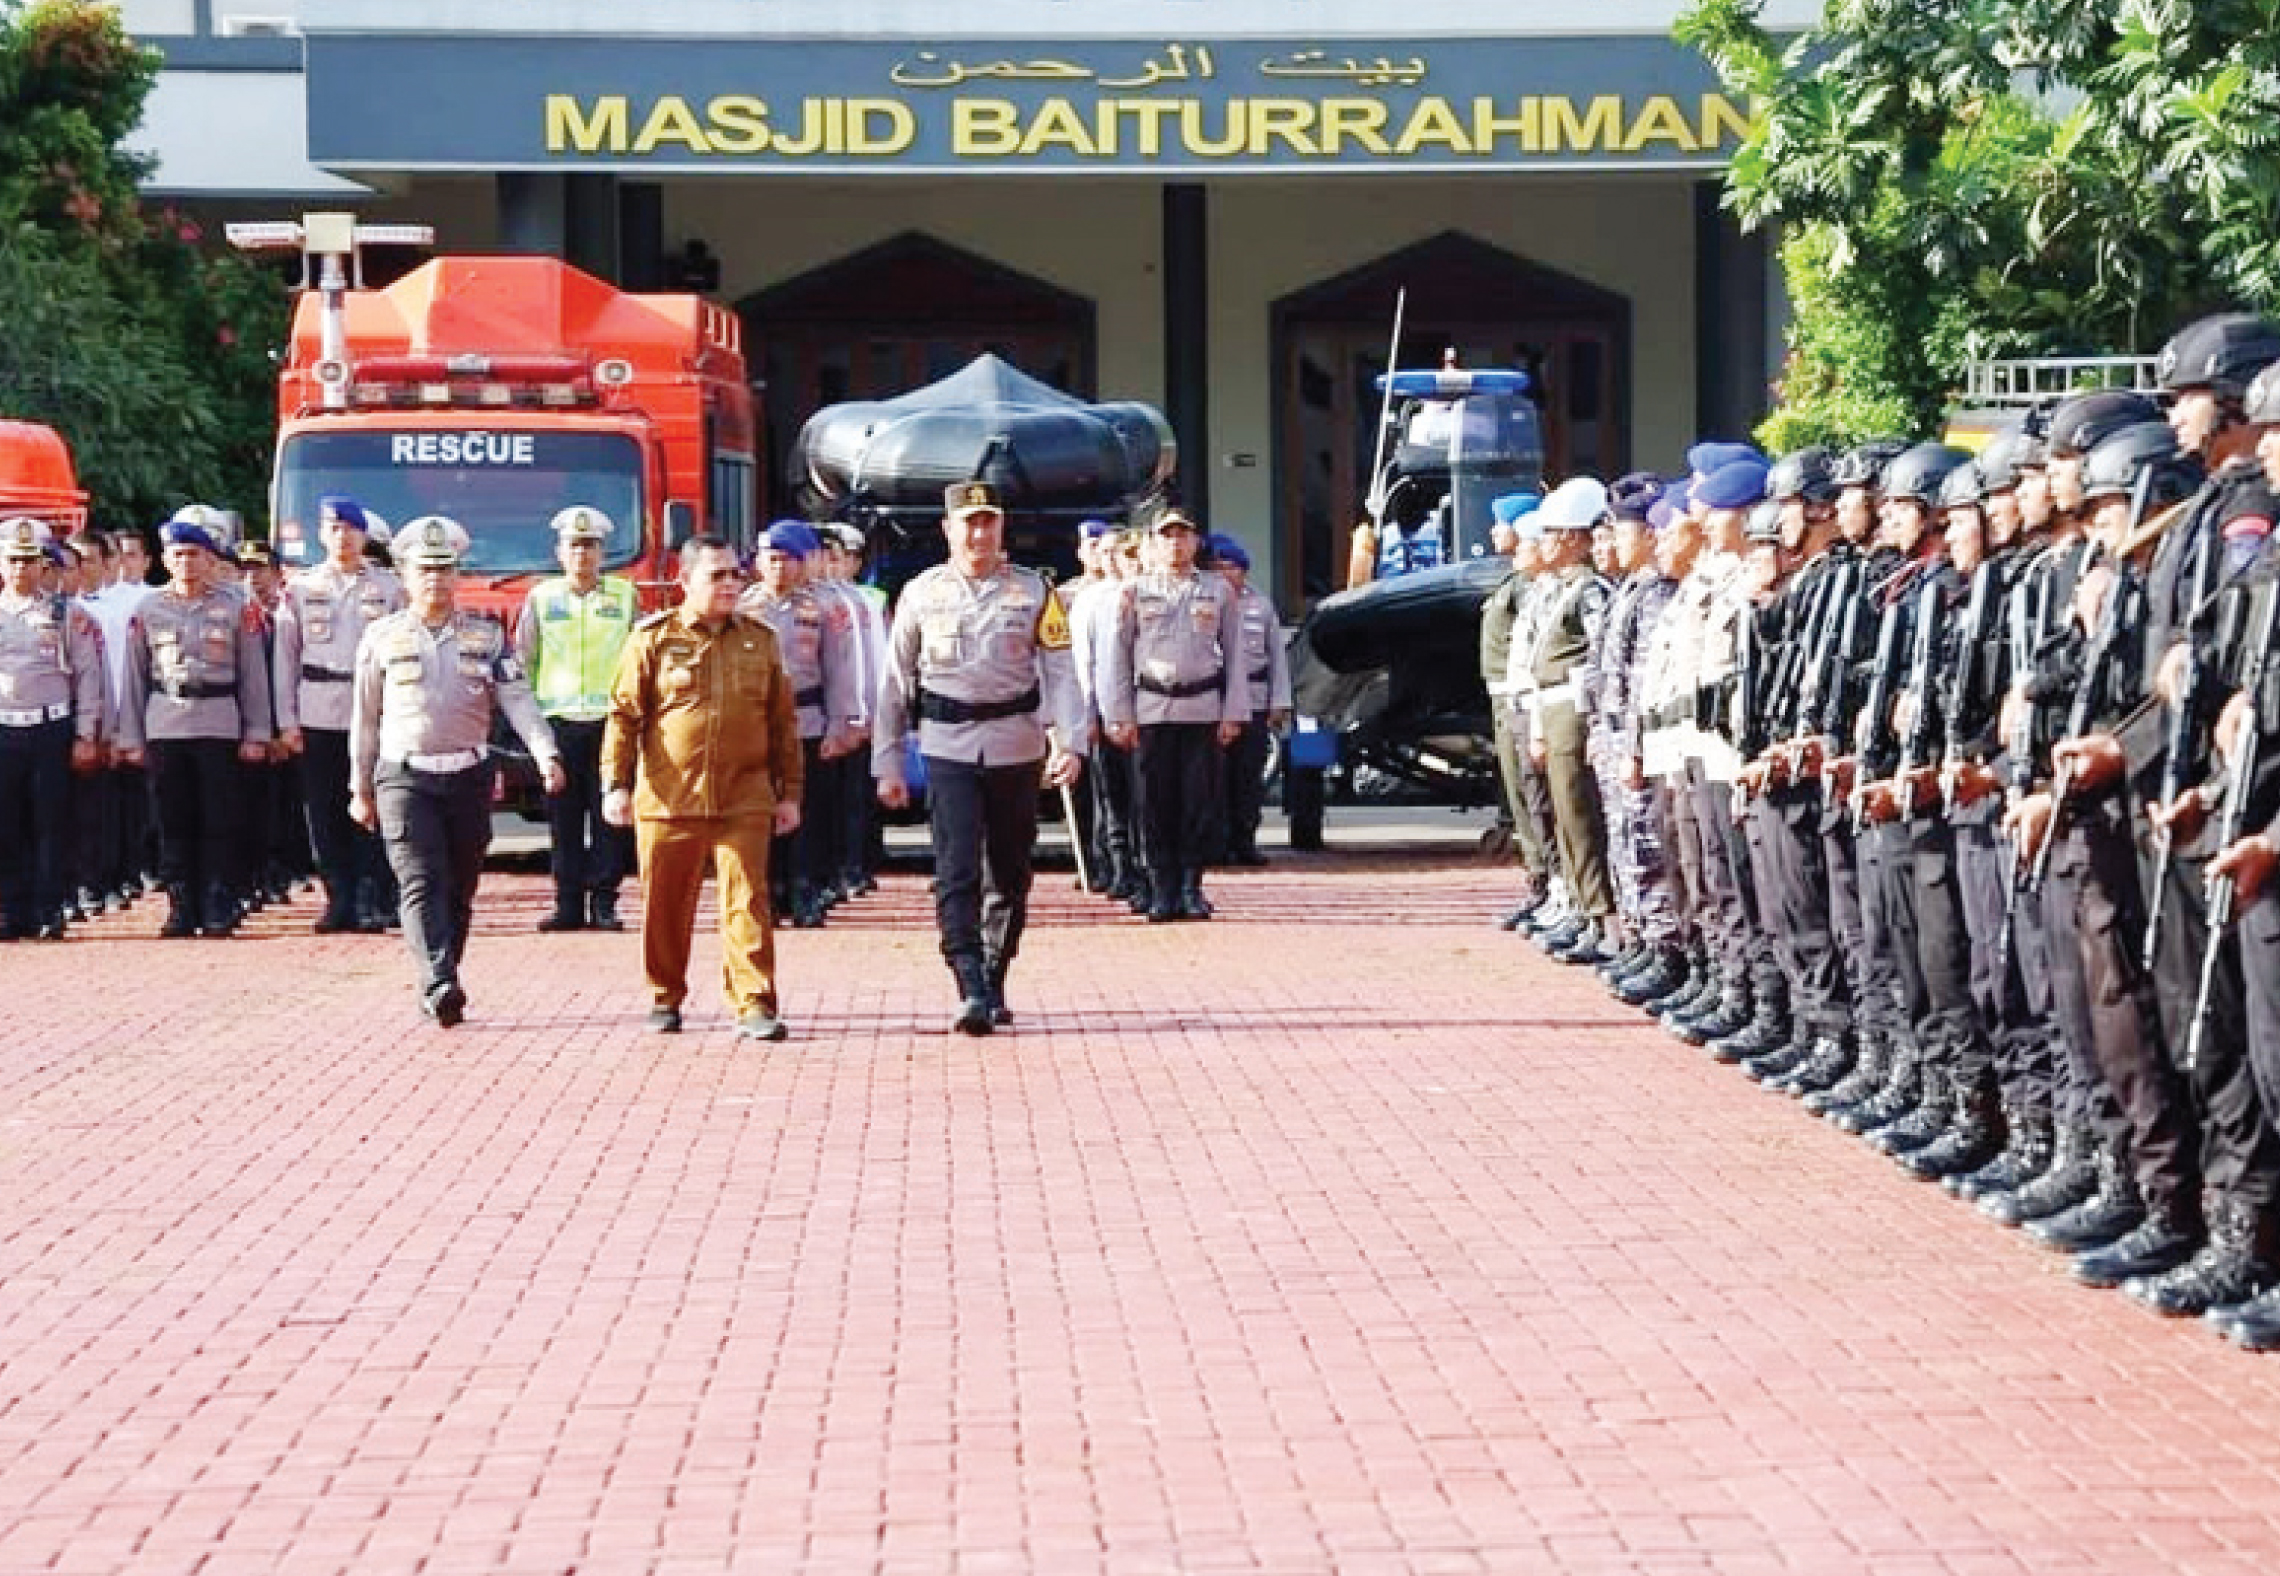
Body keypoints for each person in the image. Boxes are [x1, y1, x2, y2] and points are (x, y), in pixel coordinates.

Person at [873, 481, 1087, 1034]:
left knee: (1010, 870)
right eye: (968, 522)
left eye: (988, 521)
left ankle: (995, 971)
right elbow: (894, 685)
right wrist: (889, 761)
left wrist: (1071, 740)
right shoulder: (921, 594)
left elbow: (1061, 672)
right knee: (956, 868)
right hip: (948, 746)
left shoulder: (1036, 591)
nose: (979, 532)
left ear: (1001, 528)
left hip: (1016, 744)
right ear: (948, 530)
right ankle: (967, 977)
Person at [349, 517, 564, 1027]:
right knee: (419, 881)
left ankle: (443, 972)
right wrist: (359, 786)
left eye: (445, 570)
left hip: (467, 774)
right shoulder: (380, 637)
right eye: (424, 570)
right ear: (403, 574)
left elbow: (517, 698)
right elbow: (364, 718)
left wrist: (545, 752)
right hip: (404, 776)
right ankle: (438, 979)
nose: (435, 580)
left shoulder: (486, 637)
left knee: (460, 886)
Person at [602, 535, 802, 1040]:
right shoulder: (653, 639)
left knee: (748, 901)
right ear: (684, 581)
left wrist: (791, 792)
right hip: (670, 798)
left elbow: (782, 723)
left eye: (736, 574)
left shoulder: (761, 639)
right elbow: (624, 718)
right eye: (718, 575)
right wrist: (615, 784)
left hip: (745, 794)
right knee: (665, 905)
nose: (731, 584)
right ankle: (664, 995)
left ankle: (754, 1002)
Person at [118, 518, 273, 939]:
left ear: (209, 560)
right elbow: (133, 678)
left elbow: (253, 675)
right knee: (172, 820)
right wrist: (130, 736)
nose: (187, 562)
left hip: (219, 721)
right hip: (166, 720)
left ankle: (219, 899)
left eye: (195, 554)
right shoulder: (148, 610)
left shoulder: (237, 608)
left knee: (221, 819)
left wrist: (257, 731)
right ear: (166, 560)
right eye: (179, 554)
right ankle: (182, 904)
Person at [1100, 500, 1246, 923]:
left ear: (1195, 541)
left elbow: (1235, 655)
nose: (1175, 542)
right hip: (1152, 708)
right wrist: (1118, 714)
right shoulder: (1134, 592)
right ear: (1152, 543)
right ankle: (1161, 886)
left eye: (1182, 534)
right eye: (1166, 535)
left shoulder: (1217, 590)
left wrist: (1233, 711)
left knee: (1198, 802)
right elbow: (1117, 657)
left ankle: (1191, 885)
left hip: (1202, 708)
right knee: (1154, 803)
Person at [274, 496, 404, 933]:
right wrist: (287, 721)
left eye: (350, 529)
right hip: (319, 709)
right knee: (325, 809)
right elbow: (285, 660)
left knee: (374, 803)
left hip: (375, 709)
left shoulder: (390, 588)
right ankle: (339, 897)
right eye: (334, 529)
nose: (342, 537)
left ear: (363, 535)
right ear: (322, 534)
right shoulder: (300, 589)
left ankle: (373, 894)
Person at [515, 504, 640, 932]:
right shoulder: (541, 597)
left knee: (610, 817)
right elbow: (524, 659)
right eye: (574, 546)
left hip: (611, 722)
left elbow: (639, 657)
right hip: (559, 722)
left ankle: (605, 902)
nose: (582, 555)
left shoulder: (624, 596)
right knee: (562, 819)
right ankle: (567, 903)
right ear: (559, 552)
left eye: (590, 546)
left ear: (603, 553)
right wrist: (530, 725)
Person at [739, 520, 863, 928]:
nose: (778, 568)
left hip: (806, 720)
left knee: (807, 814)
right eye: (771, 560)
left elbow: (838, 669)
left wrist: (838, 723)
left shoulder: (821, 608)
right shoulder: (743, 608)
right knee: (761, 811)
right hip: (756, 724)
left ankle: (805, 891)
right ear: (758, 563)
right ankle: (769, 892)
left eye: (786, 560)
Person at [0, 519, 105, 939]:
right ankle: (11, 908)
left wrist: (85, 734)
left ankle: (48, 909)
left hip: (50, 728)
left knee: (50, 824)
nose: (21, 569)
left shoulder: (65, 613)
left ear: (43, 565)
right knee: (6, 824)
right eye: (13, 561)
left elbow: (88, 676)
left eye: (29, 561)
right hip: (4, 729)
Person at [1209, 534, 1290, 867]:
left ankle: (1244, 842)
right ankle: (1216, 843)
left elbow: (1277, 658)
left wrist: (1279, 701)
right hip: (1214, 701)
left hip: (1255, 700)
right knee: (1214, 779)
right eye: (1216, 568)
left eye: (1228, 568)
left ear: (1242, 571)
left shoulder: (1261, 604)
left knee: (1247, 778)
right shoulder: (1207, 601)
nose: (1223, 574)